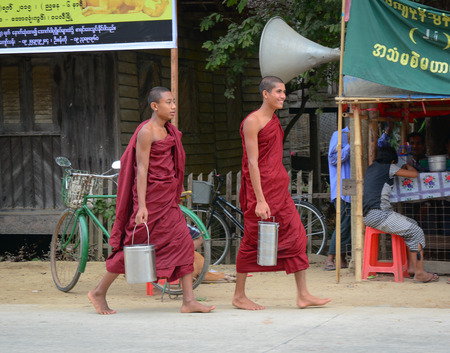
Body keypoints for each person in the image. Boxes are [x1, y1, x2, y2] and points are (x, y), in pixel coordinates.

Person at [88, 87, 215, 314]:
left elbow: (171, 164)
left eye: (174, 102)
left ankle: (188, 301)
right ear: (155, 106)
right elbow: (142, 169)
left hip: (168, 200)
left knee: (185, 243)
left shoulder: (170, 131)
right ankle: (98, 292)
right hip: (150, 201)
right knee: (133, 248)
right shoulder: (147, 132)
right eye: (168, 102)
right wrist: (142, 206)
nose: (173, 106)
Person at [232, 76, 331, 310]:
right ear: (265, 94)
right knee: (252, 241)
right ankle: (238, 296)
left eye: (284, 92)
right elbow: (252, 163)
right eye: (278, 92)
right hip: (261, 193)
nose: (283, 96)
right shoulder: (252, 122)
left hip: (279, 191)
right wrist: (259, 200)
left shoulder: (274, 119)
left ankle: (303, 294)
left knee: (297, 237)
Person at [363, 146, 439, 283]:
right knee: (417, 231)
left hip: (369, 215)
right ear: (392, 160)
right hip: (380, 215)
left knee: (412, 225)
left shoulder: (370, 168)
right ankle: (420, 272)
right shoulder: (389, 167)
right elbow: (414, 174)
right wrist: (408, 166)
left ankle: (412, 268)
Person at [324, 126, 352, 271]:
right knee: (344, 221)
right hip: (343, 185)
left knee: (349, 220)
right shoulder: (339, 135)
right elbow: (334, 159)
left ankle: (341, 259)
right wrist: (350, 145)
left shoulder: (362, 133)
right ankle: (330, 258)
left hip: (353, 183)